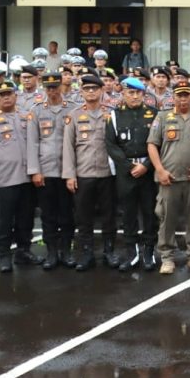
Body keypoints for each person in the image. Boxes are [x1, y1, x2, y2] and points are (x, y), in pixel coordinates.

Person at [147, 83, 190, 275]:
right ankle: (167, 257)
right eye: (179, 96)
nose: (183, 99)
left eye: (186, 95)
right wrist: (160, 170)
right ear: (173, 98)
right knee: (167, 219)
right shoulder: (163, 117)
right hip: (169, 178)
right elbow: (151, 145)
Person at [0, 80, 39, 273]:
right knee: (3, 221)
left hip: (26, 178)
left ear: (15, 96)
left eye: (9, 94)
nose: (6, 98)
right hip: (2, 180)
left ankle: (23, 251)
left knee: (25, 218)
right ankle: (4, 255)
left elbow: (34, 145)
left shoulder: (25, 116)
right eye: (1, 95)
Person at [63, 74, 119, 272]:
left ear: (102, 91)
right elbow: (68, 148)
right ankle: (86, 253)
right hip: (83, 174)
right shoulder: (74, 115)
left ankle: (109, 251)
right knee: (83, 217)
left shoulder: (111, 114)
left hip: (107, 174)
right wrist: (70, 175)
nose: (91, 92)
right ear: (82, 92)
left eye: (95, 89)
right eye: (87, 89)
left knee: (109, 215)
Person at [106, 76, 159, 272]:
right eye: (130, 92)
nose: (135, 96)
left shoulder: (154, 114)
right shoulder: (114, 115)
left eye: (138, 93)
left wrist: (145, 165)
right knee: (128, 213)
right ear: (123, 94)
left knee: (149, 212)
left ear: (144, 94)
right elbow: (111, 145)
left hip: (148, 170)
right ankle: (132, 251)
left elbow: (158, 143)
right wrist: (129, 167)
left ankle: (148, 251)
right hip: (126, 172)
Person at [26, 72, 75, 270]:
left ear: (62, 87)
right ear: (44, 89)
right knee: (48, 215)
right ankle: (51, 252)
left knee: (67, 213)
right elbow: (32, 142)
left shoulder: (72, 109)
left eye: (55, 87)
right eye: (48, 88)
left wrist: (73, 171)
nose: (52, 91)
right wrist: (34, 171)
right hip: (45, 171)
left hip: (67, 170)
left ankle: (67, 251)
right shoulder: (36, 111)